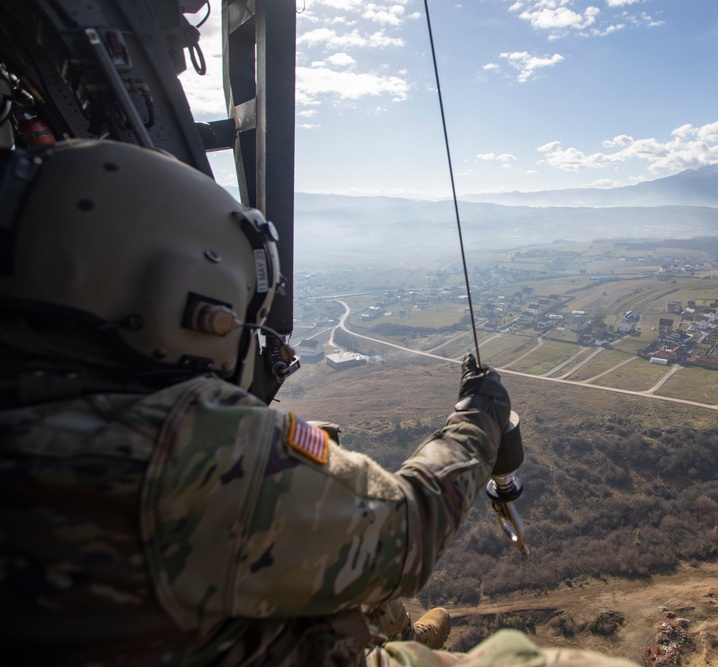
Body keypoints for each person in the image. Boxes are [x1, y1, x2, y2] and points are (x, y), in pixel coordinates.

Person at [0, 140, 637, 667]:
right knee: (523, 657)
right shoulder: (171, 452)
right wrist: (483, 414)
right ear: (185, 300)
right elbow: (409, 530)